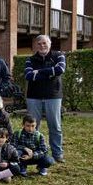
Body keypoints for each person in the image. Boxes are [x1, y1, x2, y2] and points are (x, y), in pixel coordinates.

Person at [25, 34, 66, 163]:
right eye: (39, 43)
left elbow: (60, 69)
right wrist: (50, 72)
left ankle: (57, 154)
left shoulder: (58, 56)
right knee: (32, 127)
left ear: (50, 44)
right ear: (36, 45)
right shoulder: (30, 59)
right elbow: (29, 75)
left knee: (55, 126)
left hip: (53, 96)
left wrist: (39, 72)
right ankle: (33, 153)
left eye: (44, 43)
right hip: (34, 96)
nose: (42, 45)